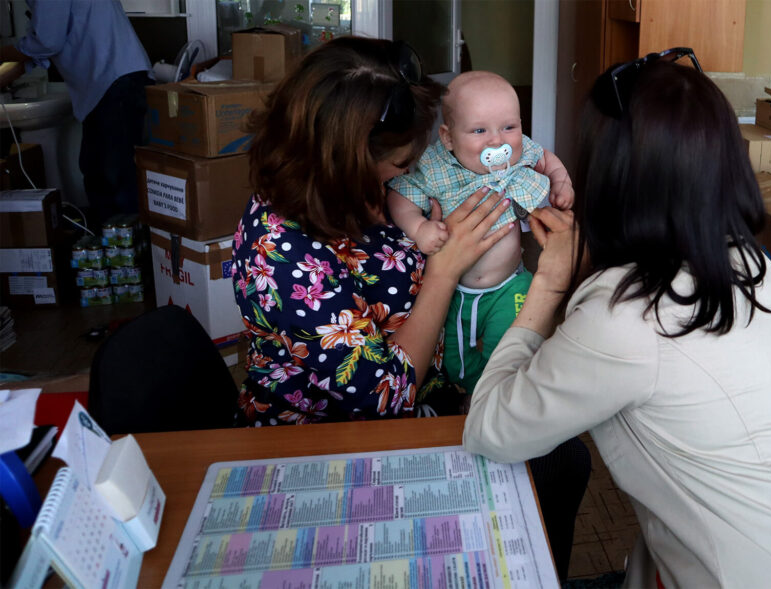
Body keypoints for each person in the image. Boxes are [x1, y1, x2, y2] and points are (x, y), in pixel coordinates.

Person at [463, 52, 771, 588]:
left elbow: (490, 430)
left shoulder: (627, 317)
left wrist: (548, 282)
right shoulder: (750, 264)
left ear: (612, 175)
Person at [232, 38, 590, 582]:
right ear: (346, 160)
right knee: (549, 464)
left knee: (560, 455)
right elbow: (383, 396)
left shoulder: (367, 190)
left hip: (441, 383)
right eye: (399, 164)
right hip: (341, 440)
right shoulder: (282, 252)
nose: (411, 171)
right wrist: (449, 270)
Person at [388, 70, 573, 399]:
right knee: (455, 362)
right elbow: (401, 195)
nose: (496, 141)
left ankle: (502, 397)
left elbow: (547, 159)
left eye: (509, 127)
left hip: (510, 283)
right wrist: (419, 227)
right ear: (448, 138)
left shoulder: (521, 154)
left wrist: (561, 182)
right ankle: (473, 396)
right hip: (457, 291)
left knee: (512, 349)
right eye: (479, 130)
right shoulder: (435, 167)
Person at [0, 0, 152, 227]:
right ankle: (112, 248)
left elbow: (47, 42)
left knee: (113, 179)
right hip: (116, 80)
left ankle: (124, 253)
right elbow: (41, 47)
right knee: (100, 172)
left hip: (113, 81)